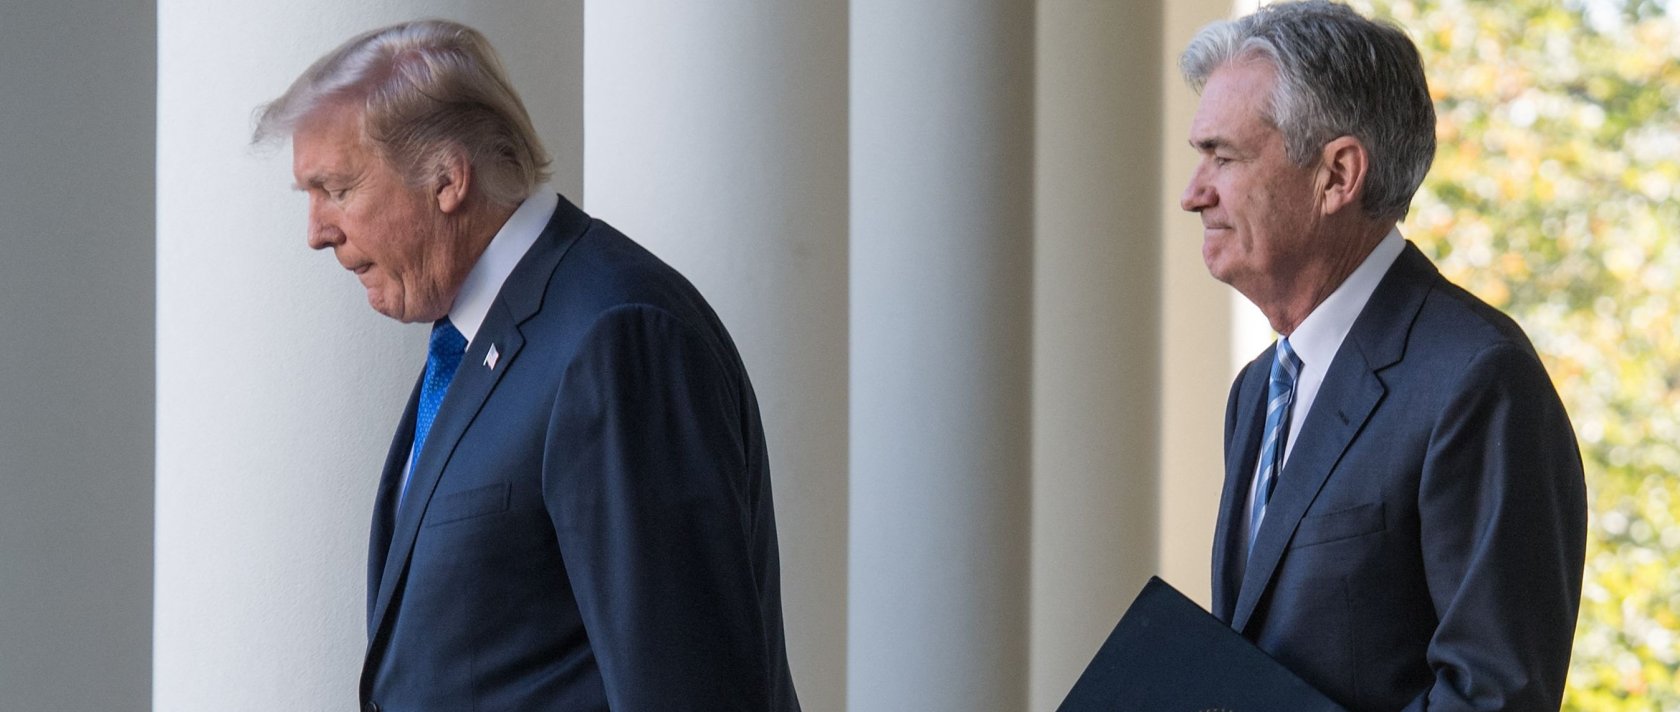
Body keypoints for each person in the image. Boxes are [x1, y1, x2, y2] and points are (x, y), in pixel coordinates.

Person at [253, 20, 801, 711]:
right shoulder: (476, 342)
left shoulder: (614, 337)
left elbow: (688, 687)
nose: (316, 232)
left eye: (335, 189)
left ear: (448, 178)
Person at [1178, 2, 1586, 710]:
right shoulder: (1258, 389)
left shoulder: (1477, 378)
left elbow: (1494, 697)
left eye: (1224, 156)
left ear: (1337, 175)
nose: (1193, 194)